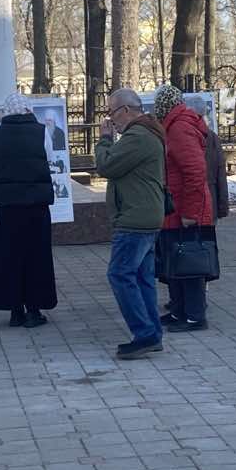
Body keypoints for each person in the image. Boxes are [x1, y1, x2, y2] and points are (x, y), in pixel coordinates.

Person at [95, 87, 166, 360]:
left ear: (125, 110)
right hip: (145, 215)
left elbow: (107, 166)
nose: (110, 120)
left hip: (135, 218)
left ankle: (145, 333)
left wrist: (104, 140)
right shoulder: (147, 132)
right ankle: (152, 333)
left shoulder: (137, 136)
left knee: (120, 274)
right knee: (141, 277)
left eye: (111, 112)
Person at [0, 93, 56, 328]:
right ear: (28, 109)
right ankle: (34, 311)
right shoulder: (41, 132)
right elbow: (49, 157)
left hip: (7, 205)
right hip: (36, 204)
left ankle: (15, 311)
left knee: (9, 256)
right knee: (36, 255)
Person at [153, 85, 216, 332]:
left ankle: (194, 316)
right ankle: (179, 311)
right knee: (176, 261)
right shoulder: (174, 125)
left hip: (186, 210)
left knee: (189, 263)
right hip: (177, 207)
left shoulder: (179, 128)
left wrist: (190, 213)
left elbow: (195, 171)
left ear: (164, 105)